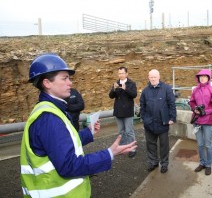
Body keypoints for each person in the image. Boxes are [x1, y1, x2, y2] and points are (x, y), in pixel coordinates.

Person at [20, 53, 137, 198]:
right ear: (47, 83)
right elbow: (69, 165)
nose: (70, 83)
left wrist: (88, 133)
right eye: (65, 78)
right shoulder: (48, 118)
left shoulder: (51, 110)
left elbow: (63, 143)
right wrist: (109, 153)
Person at [140, 69, 176, 174]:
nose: (153, 78)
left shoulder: (166, 89)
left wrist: (172, 118)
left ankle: (164, 164)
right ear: (148, 77)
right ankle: (153, 162)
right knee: (150, 144)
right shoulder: (145, 91)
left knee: (164, 145)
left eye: (155, 76)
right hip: (149, 123)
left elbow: (172, 104)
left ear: (159, 76)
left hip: (162, 123)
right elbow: (142, 106)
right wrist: (144, 118)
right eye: (151, 76)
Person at [188, 69, 212, 176]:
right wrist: (194, 109)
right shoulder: (195, 90)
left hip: (207, 121)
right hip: (197, 120)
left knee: (208, 144)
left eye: (205, 77)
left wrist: (205, 112)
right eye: (200, 77)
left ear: (208, 78)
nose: (202, 78)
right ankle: (202, 163)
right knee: (200, 144)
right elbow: (191, 102)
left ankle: (208, 165)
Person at [109, 67, 137, 158]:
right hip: (118, 111)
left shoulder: (131, 83)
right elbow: (111, 96)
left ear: (126, 74)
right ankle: (123, 147)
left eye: (122, 73)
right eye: (119, 73)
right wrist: (114, 89)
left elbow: (134, 95)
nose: (120, 75)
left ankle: (132, 148)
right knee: (121, 131)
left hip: (128, 111)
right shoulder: (116, 83)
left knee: (129, 131)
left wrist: (126, 89)